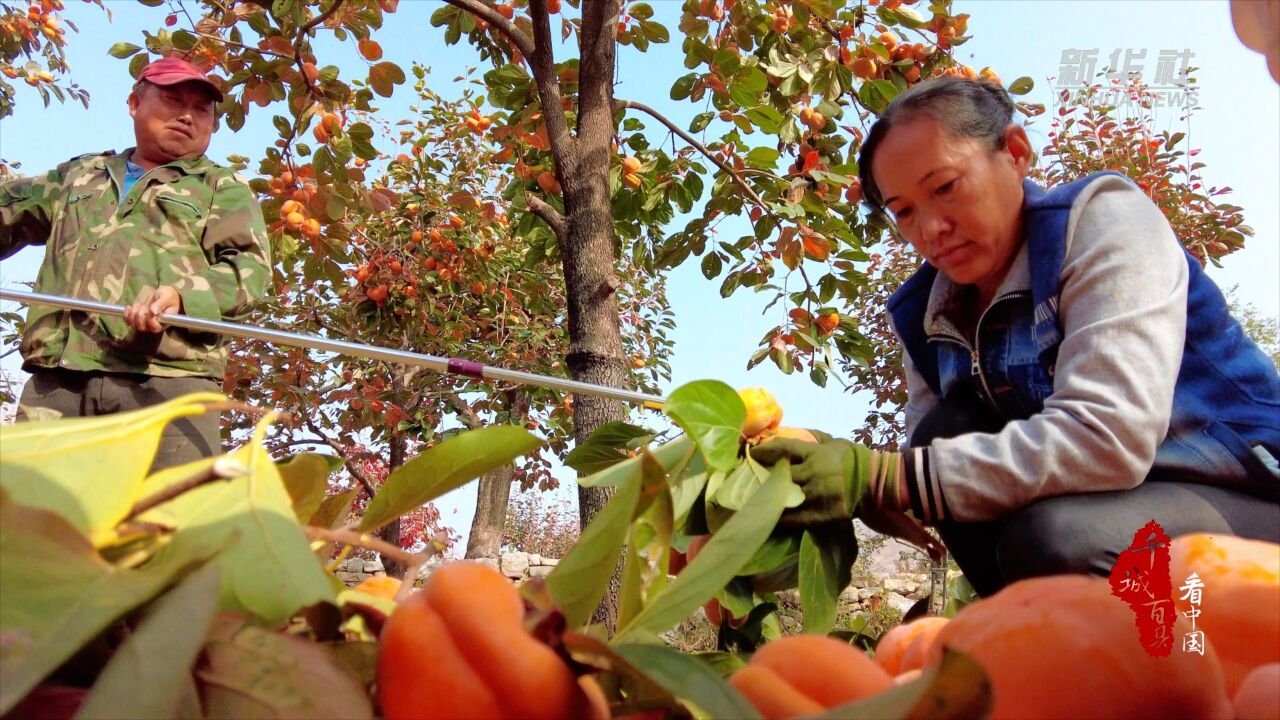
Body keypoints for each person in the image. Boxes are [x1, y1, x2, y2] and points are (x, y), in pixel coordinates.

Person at [756, 77, 1279, 597]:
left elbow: (1109, 437)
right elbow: (924, 461)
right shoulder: (926, 314)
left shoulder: (1101, 223)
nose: (930, 228)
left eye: (945, 187)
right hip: (1103, 504)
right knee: (945, 432)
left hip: (1243, 493)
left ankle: (1190, 670)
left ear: (1015, 152)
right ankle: (1034, 642)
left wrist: (887, 479)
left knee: (1059, 542)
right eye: (905, 211)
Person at [0, 56, 272, 470]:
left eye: (202, 110)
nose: (187, 116)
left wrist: (181, 297)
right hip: (59, 381)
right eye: (173, 100)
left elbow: (250, 270)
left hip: (168, 384)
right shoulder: (78, 177)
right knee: (34, 523)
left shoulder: (222, 187)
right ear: (133, 103)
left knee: (168, 526)